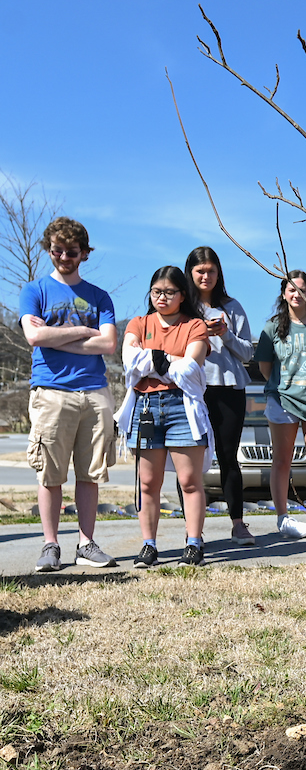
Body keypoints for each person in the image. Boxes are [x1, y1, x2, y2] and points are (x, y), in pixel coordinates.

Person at [19, 216, 119, 572]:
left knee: (90, 474)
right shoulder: (34, 290)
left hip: (95, 393)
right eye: (57, 250)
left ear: (84, 254)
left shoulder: (99, 296)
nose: (64, 256)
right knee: (50, 473)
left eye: (72, 251)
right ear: (49, 250)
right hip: (51, 392)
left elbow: (108, 343)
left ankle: (86, 543)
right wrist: (82, 332)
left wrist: (57, 335)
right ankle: (50, 545)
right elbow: (34, 338)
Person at [117, 267, 213, 568]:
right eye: (156, 291)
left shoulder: (195, 326)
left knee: (189, 481)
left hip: (181, 406)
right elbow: (129, 363)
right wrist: (171, 360)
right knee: (148, 483)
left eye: (169, 292)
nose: (162, 297)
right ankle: (149, 545)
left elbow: (191, 370)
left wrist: (156, 358)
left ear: (183, 295)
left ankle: (194, 542)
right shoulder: (138, 323)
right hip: (145, 407)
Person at [184, 246, 257, 547]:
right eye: (200, 271)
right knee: (192, 461)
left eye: (211, 270)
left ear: (219, 273)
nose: (206, 276)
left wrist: (225, 334)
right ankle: (193, 531)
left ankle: (238, 524)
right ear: (190, 272)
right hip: (194, 390)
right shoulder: (183, 307)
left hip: (229, 389)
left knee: (229, 457)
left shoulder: (232, 305)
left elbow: (248, 353)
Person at [253, 270, 306, 540]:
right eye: (291, 290)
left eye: (302, 289)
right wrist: (283, 385)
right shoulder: (273, 327)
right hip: (283, 401)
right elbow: (265, 366)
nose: (297, 294)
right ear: (284, 294)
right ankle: (282, 517)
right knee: (282, 460)